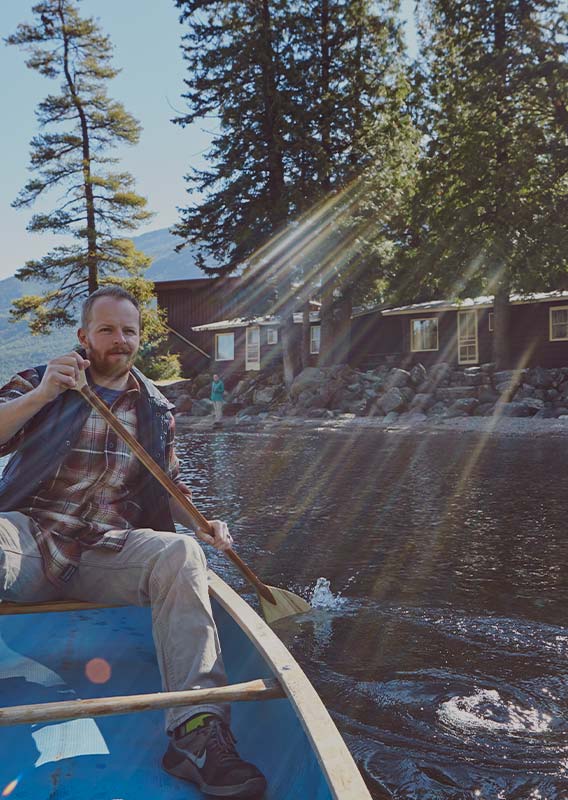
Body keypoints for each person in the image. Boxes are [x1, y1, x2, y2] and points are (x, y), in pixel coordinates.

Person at [0, 286, 266, 800]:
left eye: (129, 330)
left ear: (139, 337)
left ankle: (195, 734)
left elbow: (170, 486)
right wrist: (40, 397)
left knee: (182, 553)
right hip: (31, 538)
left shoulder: (155, 408)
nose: (119, 340)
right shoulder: (43, 380)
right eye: (106, 329)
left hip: (107, 551)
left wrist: (203, 525)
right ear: (84, 336)